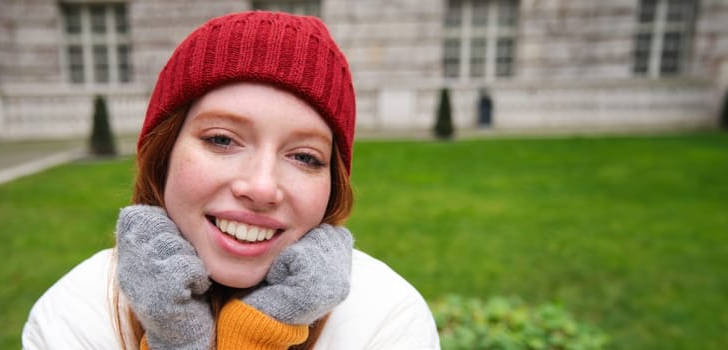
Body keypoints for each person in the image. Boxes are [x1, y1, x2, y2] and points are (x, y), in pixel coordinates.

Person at [22, 11, 440, 350]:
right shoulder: (74, 314)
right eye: (222, 139)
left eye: (304, 156)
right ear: (162, 153)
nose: (261, 187)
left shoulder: (387, 316)